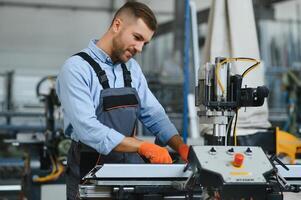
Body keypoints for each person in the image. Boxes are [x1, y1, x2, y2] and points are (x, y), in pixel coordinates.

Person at [56, 2, 189, 200]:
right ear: (117, 25)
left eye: (145, 42)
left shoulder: (132, 69)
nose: (140, 48)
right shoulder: (76, 69)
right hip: (90, 175)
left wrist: (181, 147)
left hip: (129, 173)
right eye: (137, 38)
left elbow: (154, 114)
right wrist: (142, 146)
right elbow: (87, 128)